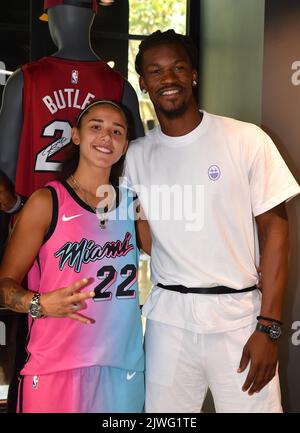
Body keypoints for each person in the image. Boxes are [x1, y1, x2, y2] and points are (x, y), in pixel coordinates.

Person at [124, 29, 300, 413]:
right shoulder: (136, 156)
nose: (167, 79)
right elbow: (142, 229)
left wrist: (269, 326)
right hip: (169, 322)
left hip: (239, 320)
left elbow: (276, 231)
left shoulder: (244, 139)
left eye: (178, 68)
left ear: (193, 75)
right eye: (155, 71)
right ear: (143, 83)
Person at [0, 0, 144, 411]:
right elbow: (5, 284)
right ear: (76, 136)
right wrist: (37, 303)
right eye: (96, 126)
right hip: (56, 366)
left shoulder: (135, 205)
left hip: (122, 368)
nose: (107, 136)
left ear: (125, 143)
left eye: (117, 130)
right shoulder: (47, 203)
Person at [0, 0, 144, 212]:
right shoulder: (121, 86)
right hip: (97, 223)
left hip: (35, 218)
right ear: (91, 16)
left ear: (53, 16)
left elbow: (5, 163)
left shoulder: (23, 79)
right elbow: (136, 169)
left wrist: (16, 208)